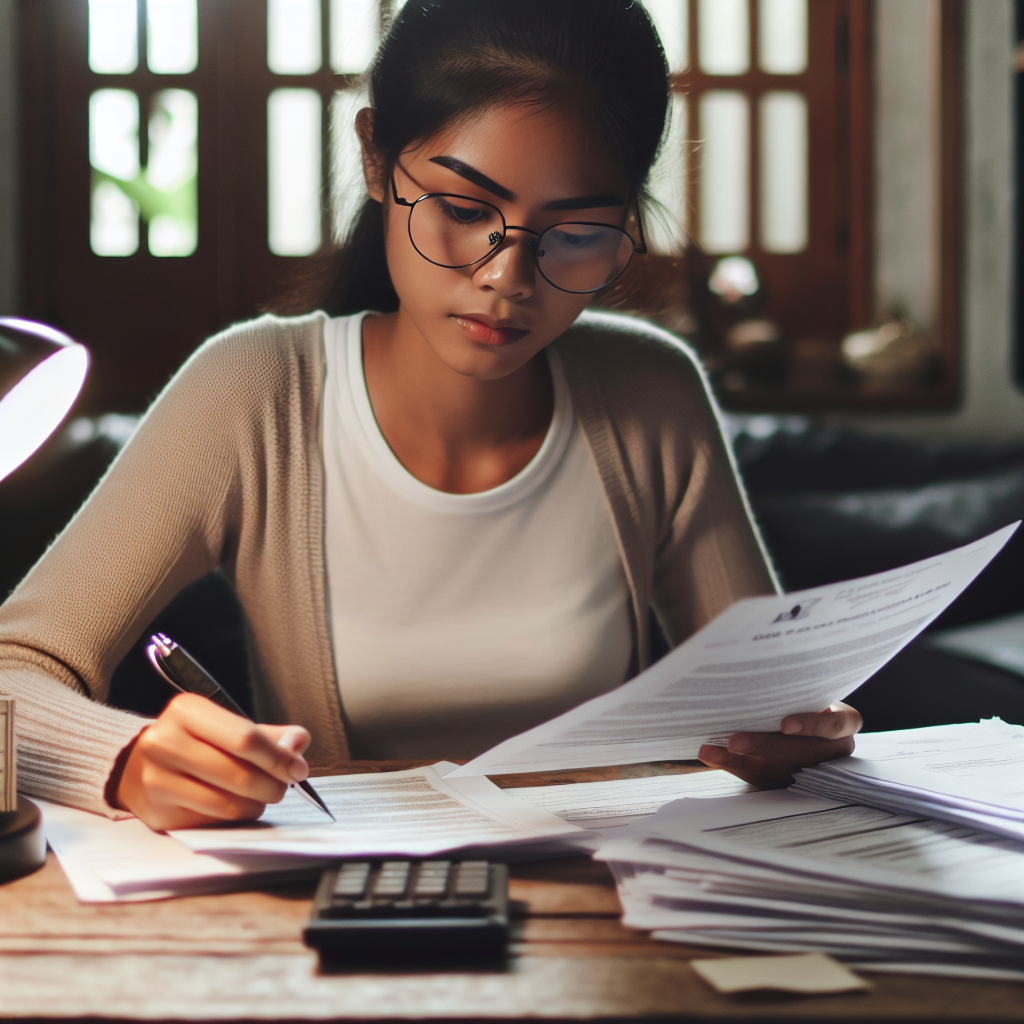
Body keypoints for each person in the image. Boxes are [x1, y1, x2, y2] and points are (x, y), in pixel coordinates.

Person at [0, 0, 861, 832]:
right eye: (461, 210)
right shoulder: (256, 392)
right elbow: (15, 672)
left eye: (574, 233)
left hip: (612, 917)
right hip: (354, 923)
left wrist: (793, 735)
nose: (508, 279)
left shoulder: (650, 391)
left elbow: (764, 704)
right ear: (378, 160)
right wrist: (127, 757)